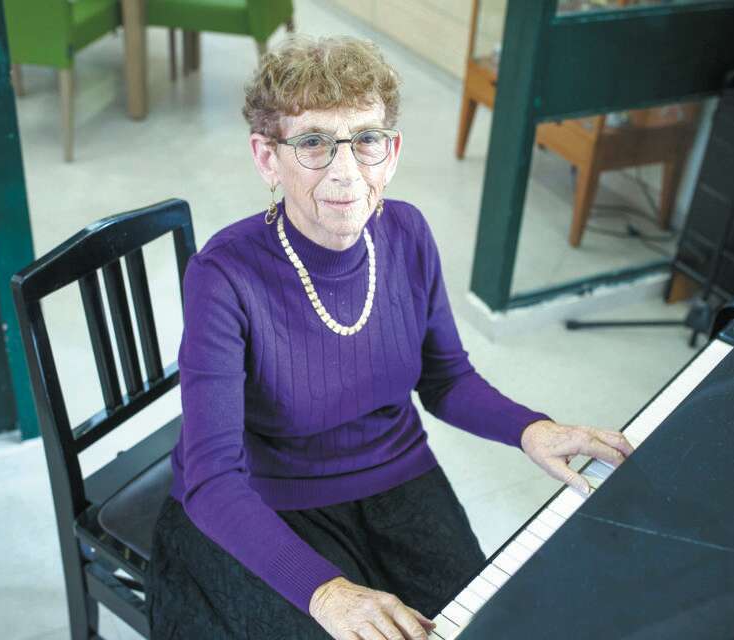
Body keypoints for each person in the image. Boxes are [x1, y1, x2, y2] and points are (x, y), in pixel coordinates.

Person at [146, 34, 634, 640]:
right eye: (313, 142)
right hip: (268, 500)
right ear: (267, 158)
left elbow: (446, 378)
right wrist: (326, 593)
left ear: (392, 150)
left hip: (396, 476)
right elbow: (212, 479)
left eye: (366, 140)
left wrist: (532, 429)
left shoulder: (407, 233)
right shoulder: (224, 275)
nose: (346, 171)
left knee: (475, 625)